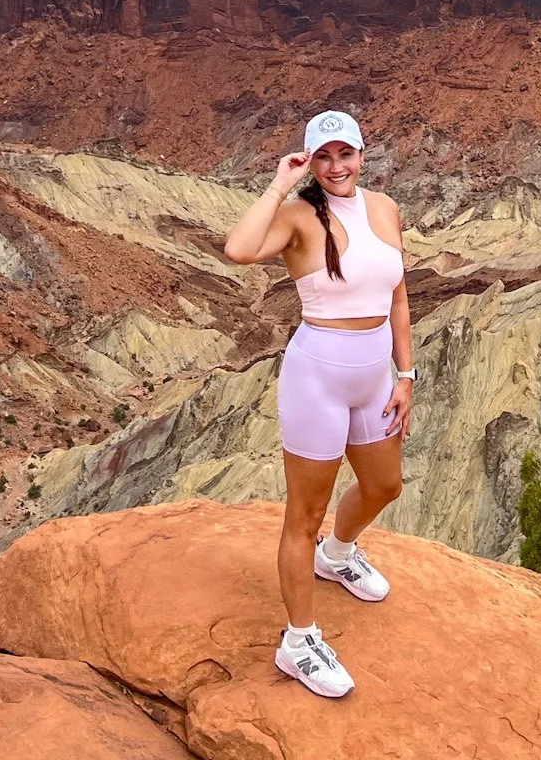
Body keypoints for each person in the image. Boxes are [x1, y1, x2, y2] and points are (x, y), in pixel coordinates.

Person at [221, 109, 414, 699]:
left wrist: (406, 375)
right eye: (322, 157)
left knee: (384, 485)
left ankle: (338, 553)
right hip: (317, 380)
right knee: (303, 516)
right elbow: (238, 249)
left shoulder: (385, 209)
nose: (336, 167)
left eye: (345, 154)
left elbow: (398, 295)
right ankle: (299, 641)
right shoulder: (299, 217)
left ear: (362, 154)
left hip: (374, 377)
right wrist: (281, 184)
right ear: (309, 161)